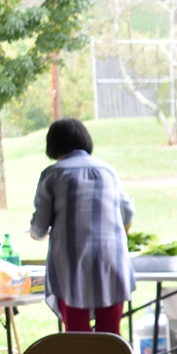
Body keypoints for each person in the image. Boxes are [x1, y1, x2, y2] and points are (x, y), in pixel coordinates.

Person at [28, 118, 135, 334]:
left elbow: (39, 229)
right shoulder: (107, 170)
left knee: (77, 334)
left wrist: (34, 233)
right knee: (110, 333)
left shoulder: (53, 174)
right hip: (112, 260)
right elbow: (128, 212)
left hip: (72, 263)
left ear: (53, 144)